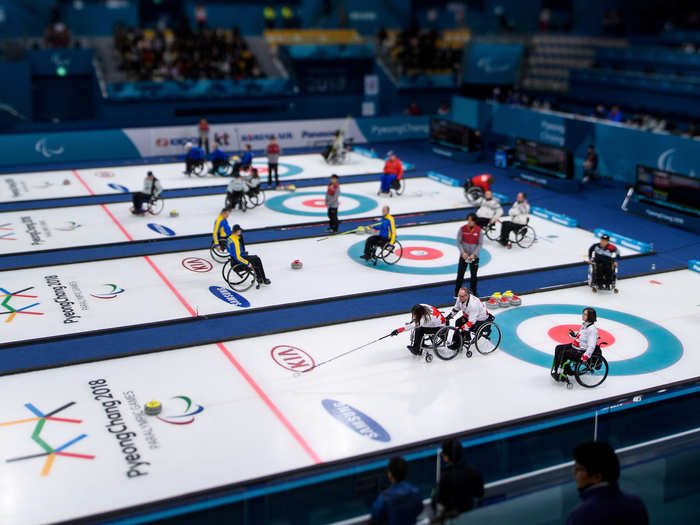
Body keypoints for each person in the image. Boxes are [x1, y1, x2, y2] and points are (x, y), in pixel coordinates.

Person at [568, 441, 648, 525]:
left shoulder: (580, 516)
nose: (574, 472)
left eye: (578, 469)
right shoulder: (636, 505)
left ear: (597, 477)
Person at [431, 438, 484, 519]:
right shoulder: (474, 471)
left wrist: (434, 491)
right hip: (472, 516)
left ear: (446, 457)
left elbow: (436, 502)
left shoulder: (445, 478)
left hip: (453, 518)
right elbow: (480, 494)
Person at [369, 456, 423, 525]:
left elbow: (375, 516)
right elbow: (419, 508)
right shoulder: (415, 492)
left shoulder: (384, 498)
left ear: (390, 475)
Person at [551, 307, 598, 383]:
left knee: (564, 353)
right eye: (583, 313)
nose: (583, 315)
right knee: (558, 348)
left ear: (590, 316)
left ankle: (564, 371)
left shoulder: (592, 330)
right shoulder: (585, 325)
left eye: (585, 314)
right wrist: (574, 334)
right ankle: (558, 369)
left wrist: (586, 355)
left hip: (582, 351)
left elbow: (592, 346)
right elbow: (581, 335)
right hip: (576, 346)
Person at [454, 213, 483, 297]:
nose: (469, 222)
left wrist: (474, 254)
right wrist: (462, 252)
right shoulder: (462, 229)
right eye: (468, 220)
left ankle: (473, 291)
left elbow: (480, 244)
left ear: (474, 221)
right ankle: (457, 292)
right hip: (464, 256)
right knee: (460, 274)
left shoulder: (479, 231)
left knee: (474, 275)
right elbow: (458, 242)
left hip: (473, 257)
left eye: (471, 220)